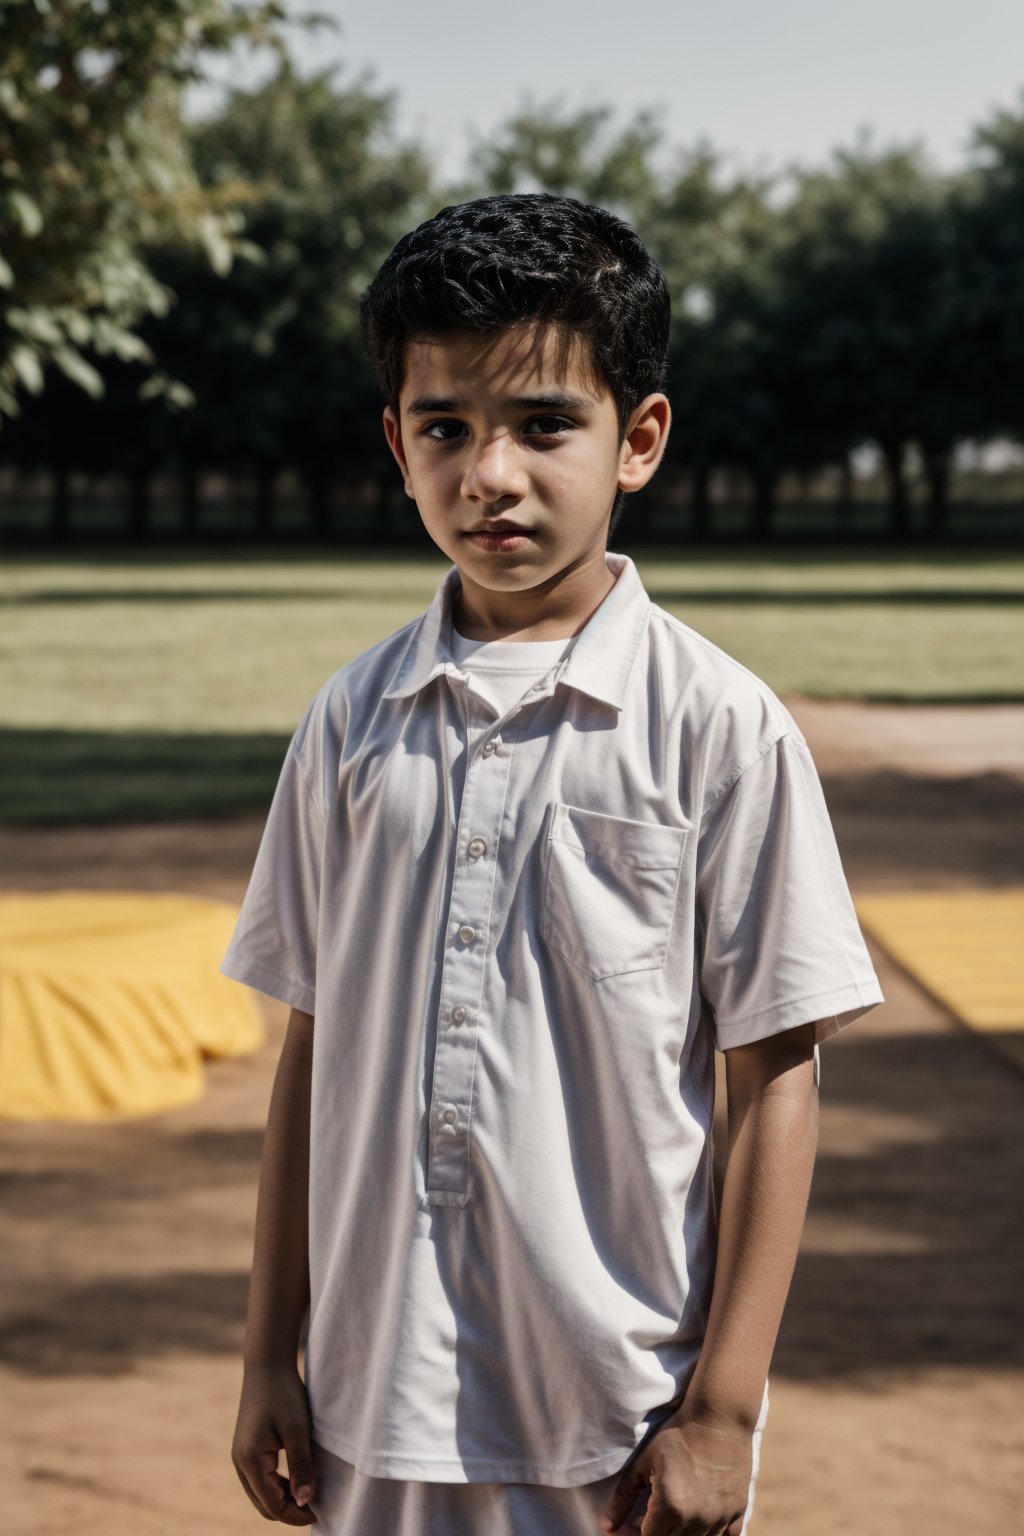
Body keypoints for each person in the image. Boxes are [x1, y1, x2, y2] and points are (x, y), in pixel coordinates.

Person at [223, 192, 884, 1536]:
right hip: (370, 1405)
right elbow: (310, 1049)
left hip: (616, 1422)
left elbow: (775, 1076)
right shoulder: (351, 721)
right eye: (445, 428)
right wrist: (262, 1354)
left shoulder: (718, 729)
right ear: (397, 448)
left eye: (542, 424)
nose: (492, 475)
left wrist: (725, 1407)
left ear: (636, 439)